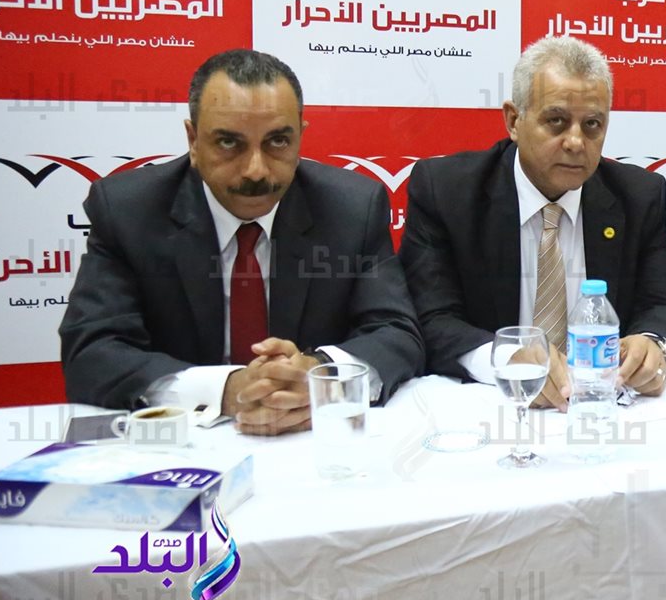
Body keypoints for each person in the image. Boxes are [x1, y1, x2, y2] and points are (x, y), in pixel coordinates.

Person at [59, 50, 423, 431]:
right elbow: (92, 353)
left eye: (278, 141)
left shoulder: (353, 208)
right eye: (229, 143)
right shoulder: (128, 210)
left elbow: (396, 333)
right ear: (193, 140)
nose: (256, 171)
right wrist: (228, 390)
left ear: (300, 137)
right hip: (183, 441)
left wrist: (319, 377)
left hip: (307, 440)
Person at [399, 37, 666, 409]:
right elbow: (430, 317)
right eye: (556, 121)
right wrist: (507, 358)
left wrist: (654, 344)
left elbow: (665, 305)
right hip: (495, 406)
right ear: (514, 121)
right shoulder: (447, 191)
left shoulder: (638, 196)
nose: (575, 142)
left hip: (603, 407)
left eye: (592, 125)